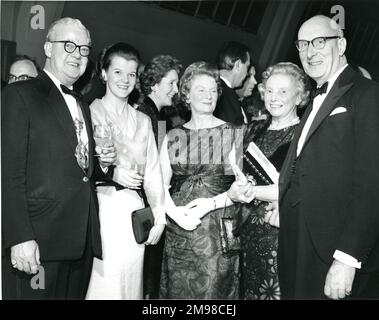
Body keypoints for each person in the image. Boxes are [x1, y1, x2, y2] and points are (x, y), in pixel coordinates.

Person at [2, 17, 116, 299]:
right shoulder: (19, 95)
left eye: (84, 49)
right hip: (38, 241)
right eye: (69, 45)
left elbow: (79, 171)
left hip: (79, 243)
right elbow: (7, 172)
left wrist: (100, 163)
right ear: (48, 48)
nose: (78, 54)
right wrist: (18, 237)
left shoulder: (82, 104)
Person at [278, 15, 379, 299]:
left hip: (331, 249)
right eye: (302, 44)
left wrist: (347, 257)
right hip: (297, 242)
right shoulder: (314, 101)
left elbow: (372, 182)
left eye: (320, 41)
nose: (310, 52)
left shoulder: (368, 94)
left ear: (342, 44)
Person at [85, 43, 166, 300]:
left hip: (135, 215)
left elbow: (153, 172)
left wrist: (160, 215)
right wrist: (112, 173)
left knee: (130, 287)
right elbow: (80, 164)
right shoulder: (89, 112)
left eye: (131, 74)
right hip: (102, 210)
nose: (125, 80)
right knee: (105, 284)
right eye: (118, 72)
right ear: (104, 73)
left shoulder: (142, 120)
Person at [159, 61, 241, 299]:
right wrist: (174, 213)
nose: (208, 96)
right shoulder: (172, 136)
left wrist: (213, 203)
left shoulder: (232, 133)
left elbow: (243, 187)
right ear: (186, 95)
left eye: (213, 90)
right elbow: (160, 185)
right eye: (201, 90)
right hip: (179, 233)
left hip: (216, 234)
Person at [234, 62, 310, 300]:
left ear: (299, 97)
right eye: (269, 90)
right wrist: (235, 190)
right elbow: (233, 173)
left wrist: (251, 191)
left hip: (276, 235)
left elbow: (298, 188)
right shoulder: (252, 129)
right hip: (241, 233)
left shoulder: (305, 137)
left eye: (283, 91)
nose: (274, 97)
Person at [137, 54, 182, 299]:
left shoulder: (160, 116)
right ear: (154, 84)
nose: (176, 90)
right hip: (148, 204)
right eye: (171, 84)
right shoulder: (144, 115)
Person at [213, 41, 251, 125]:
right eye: (247, 67)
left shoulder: (211, 85)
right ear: (238, 65)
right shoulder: (226, 97)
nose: (247, 73)